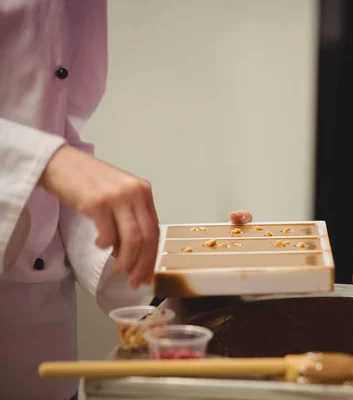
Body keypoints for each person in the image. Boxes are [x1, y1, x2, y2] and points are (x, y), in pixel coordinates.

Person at [0, 2, 253, 399]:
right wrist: (44, 161)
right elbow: (45, 164)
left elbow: (52, 173)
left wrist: (177, 263)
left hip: (46, 355)